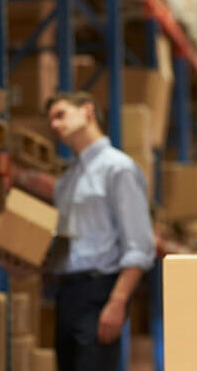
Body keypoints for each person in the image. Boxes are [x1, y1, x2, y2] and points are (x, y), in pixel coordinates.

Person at [42, 91, 156, 371]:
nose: (55, 125)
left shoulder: (118, 169)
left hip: (99, 293)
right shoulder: (66, 181)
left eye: (61, 114)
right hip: (66, 294)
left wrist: (117, 302)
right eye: (51, 121)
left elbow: (140, 245)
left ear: (87, 111)